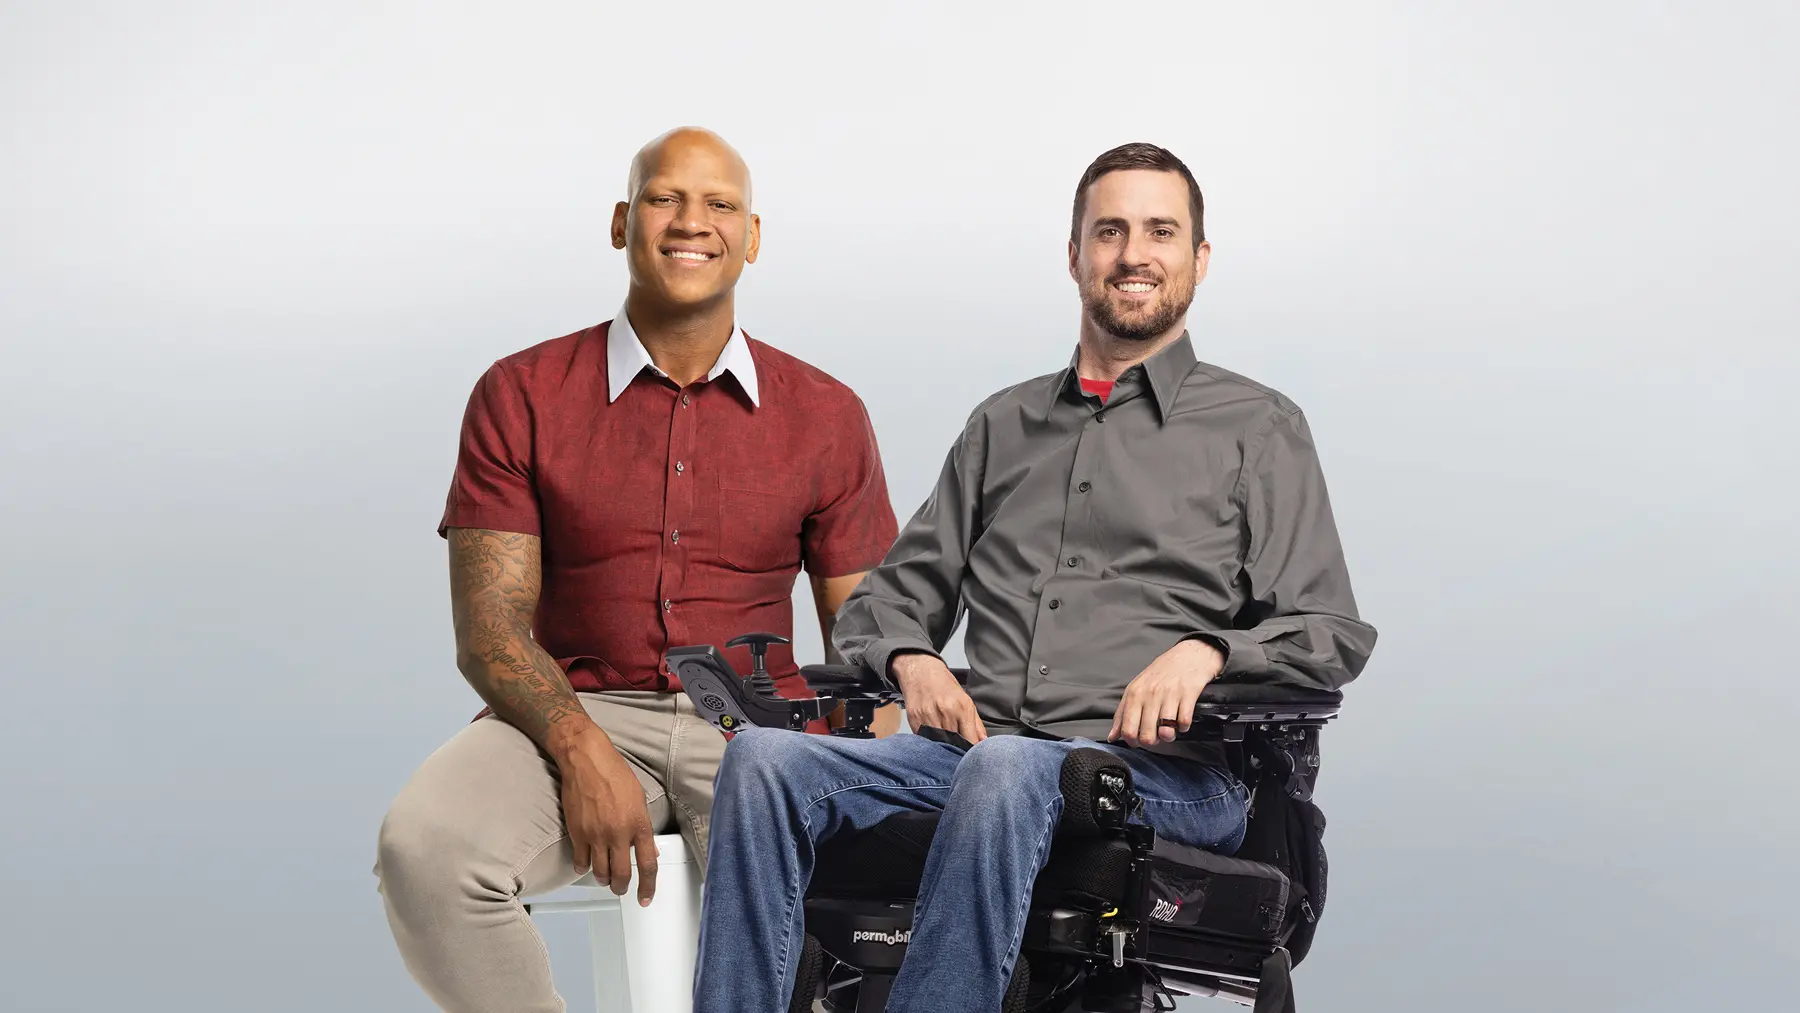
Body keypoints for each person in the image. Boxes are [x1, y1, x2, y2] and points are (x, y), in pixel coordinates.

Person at [691, 142, 1379, 1013]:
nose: (1135, 252)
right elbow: (887, 603)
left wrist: (1209, 651)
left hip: (1163, 777)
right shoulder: (1002, 426)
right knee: (761, 759)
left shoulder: (1258, 427)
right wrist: (912, 661)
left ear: (1199, 260)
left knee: (1009, 768)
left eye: (1161, 231)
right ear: (1074, 254)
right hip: (984, 753)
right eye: (1111, 231)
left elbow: (1332, 631)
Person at [373, 126, 901, 1013]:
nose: (692, 221)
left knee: (859, 922)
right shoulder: (522, 392)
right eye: (665, 198)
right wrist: (578, 745)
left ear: (753, 237)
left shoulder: (827, 413)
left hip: (759, 732)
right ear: (622, 222)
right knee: (427, 853)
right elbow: (490, 630)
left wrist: (889, 753)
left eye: (720, 204)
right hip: (570, 710)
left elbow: (867, 636)